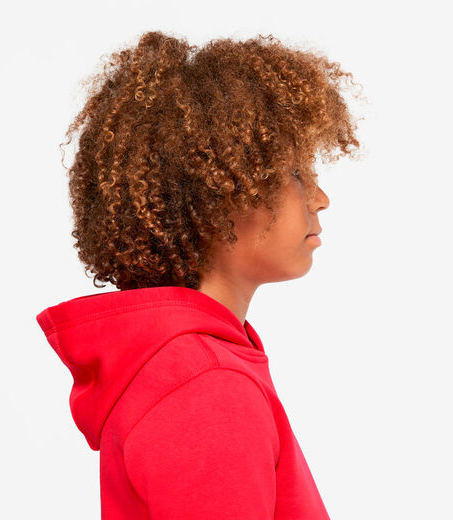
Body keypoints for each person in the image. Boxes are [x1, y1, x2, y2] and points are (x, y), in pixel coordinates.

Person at [36, 30, 363, 519]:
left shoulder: (193, 366)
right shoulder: (207, 390)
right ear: (216, 196)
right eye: (295, 173)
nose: (320, 198)